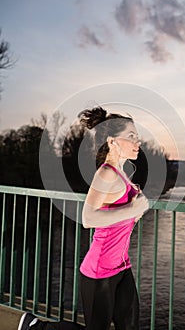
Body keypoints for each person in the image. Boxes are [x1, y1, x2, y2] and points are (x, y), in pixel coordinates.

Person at [18, 106, 149, 330]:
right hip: (100, 272)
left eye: (137, 136)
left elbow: (118, 220)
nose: (138, 142)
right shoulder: (106, 174)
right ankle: (36, 326)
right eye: (131, 136)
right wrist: (132, 209)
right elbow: (88, 218)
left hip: (121, 266)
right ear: (112, 141)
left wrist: (136, 210)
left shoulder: (123, 174)